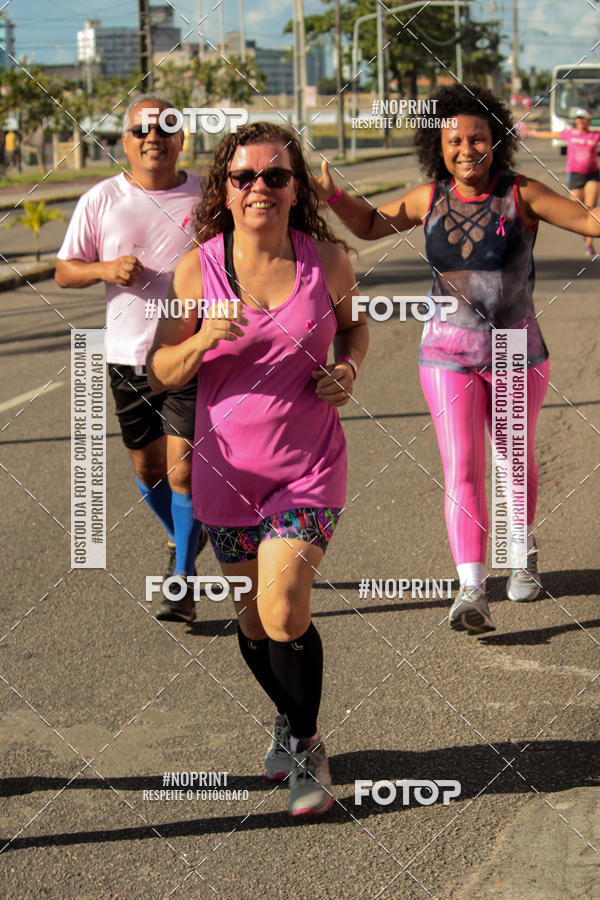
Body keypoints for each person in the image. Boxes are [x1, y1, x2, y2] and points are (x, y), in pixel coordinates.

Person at [315, 83, 600, 635]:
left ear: (498, 142)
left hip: (516, 350)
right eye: (455, 140)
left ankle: (522, 549)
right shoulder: (431, 198)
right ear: (437, 146)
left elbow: (590, 222)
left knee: (513, 462)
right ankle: (472, 588)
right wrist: (332, 195)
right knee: (461, 467)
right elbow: (372, 225)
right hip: (446, 352)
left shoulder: (523, 195)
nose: (467, 149)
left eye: (479, 138)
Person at [147, 122, 369, 815]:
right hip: (226, 471)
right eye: (244, 177)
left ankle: (307, 746)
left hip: (308, 466)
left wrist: (349, 365)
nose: (260, 189)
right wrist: (206, 336)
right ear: (226, 187)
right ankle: (286, 714)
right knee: (252, 625)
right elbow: (160, 371)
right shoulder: (197, 270)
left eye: (276, 175)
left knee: (283, 607)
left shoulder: (327, 259)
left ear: (295, 187)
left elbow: (354, 325)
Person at [56, 94, 206, 622]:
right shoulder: (102, 199)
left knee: (182, 467)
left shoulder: (207, 196)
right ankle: (182, 536)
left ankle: (183, 582)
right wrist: (103, 270)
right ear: (126, 141)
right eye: (141, 129)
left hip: (187, 349)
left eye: (165, 127)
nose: (153, 137)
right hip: (125, 356)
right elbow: (64, 270)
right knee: (148, 468)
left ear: (181, 138)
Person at [527, 108, 600, 256]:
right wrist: (530, 133)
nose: (580, 122)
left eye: (583, 119)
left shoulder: (595, 135)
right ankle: (584, 229)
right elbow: (550, 135)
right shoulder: (570, 134)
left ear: (588, 121)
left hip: (592, 175)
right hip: (575, 175)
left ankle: (589, 244)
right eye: (578, 119)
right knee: (576, 205)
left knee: (591, 208)